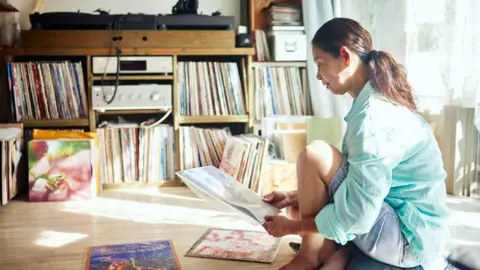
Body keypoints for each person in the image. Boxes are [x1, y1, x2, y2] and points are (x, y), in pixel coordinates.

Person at [261, 17, 450, 270]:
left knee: (315, 155)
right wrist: (297, 195)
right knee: (301, 206)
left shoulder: (373, 118)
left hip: (408, 242)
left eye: (320, 63)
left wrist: (291, 228)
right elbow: (363, 184)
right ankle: (328, 254)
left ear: (344, 56)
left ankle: (310, 257)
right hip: (402, 227)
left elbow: (359, 217)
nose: (318, 75)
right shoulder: (373, 103)